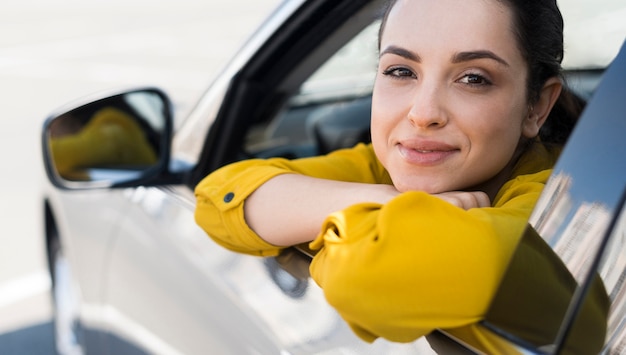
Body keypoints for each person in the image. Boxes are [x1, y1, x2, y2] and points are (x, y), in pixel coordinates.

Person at [194, 0, 593, 352]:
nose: (423, 113)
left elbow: (365, 279)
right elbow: (217, 197)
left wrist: (308, 217)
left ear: (536, 107)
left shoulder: (552, 215)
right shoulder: (391, 168)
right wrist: (385, 201)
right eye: (401, 71)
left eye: (474, 78)